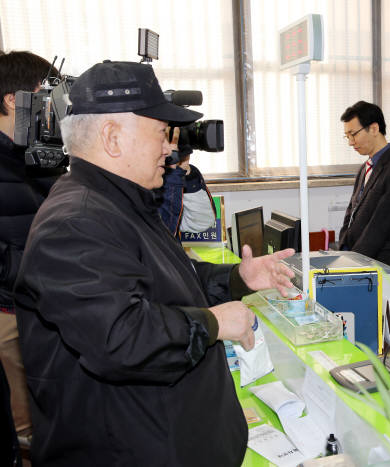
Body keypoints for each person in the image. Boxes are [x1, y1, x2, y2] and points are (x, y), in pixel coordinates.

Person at [13, 61, 295, 466]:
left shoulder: (120, 201)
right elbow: (123, 339)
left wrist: (238, 278)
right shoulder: (75, 224)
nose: (170, 147)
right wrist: (215, 323)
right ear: (112, 138)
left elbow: (167, 279)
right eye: (162, 134)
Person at [0, 50, 64, 450]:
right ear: (13, 99)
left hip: (38, 300)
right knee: (27, 428)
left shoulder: (32, 151)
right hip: (9, 310)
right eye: (47, 94)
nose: (55, 105)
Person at [338, 101, 390, 281]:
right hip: (360, 263)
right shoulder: (364, 168)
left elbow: (380, 226)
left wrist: (353, 264)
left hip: (384, 267)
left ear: (373, 128)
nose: (350, 142)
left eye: (353, 134)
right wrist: (342, 249)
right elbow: (350, 215)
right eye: (346, 136)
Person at [158, 127, 216, 237]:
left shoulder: (166, 177)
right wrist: (171, 173)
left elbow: (201, 223)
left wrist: (184, 170)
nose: (167, 149)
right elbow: (160, 236)